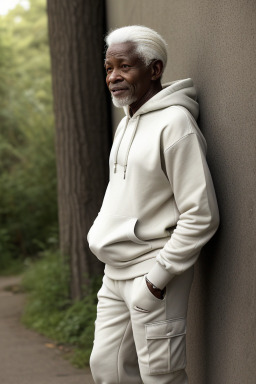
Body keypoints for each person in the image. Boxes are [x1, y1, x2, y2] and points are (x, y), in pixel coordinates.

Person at [88, 25, 219, 384]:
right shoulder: (126, 123)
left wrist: (158, 278)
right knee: (107, 369)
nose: (113, 77)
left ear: (154, 69)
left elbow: (201, 214)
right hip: (114, 273)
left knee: (161, 376)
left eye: (124, 66)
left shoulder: (175, 124)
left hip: (153, 271)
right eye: (108, 68)